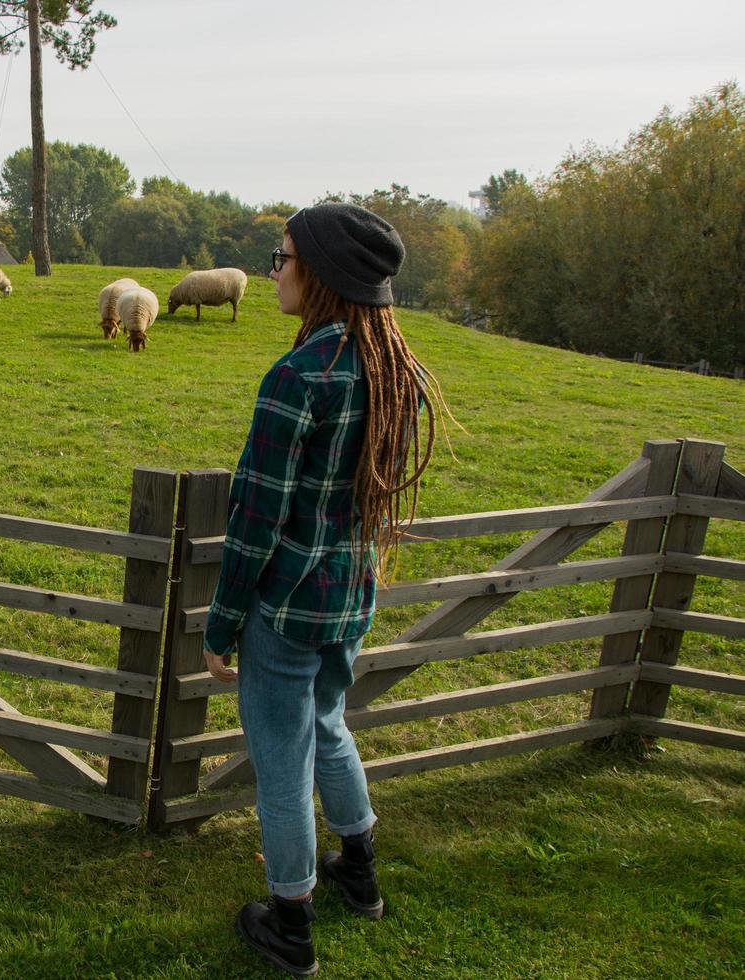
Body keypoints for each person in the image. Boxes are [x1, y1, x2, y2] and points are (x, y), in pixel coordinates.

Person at [201, 202, 452, 976]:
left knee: (282, 760)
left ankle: (291, 925)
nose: (274, 271)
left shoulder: (298, 375)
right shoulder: (394, 367)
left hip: (286, 604)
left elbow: (257, 520)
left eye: (282, 258)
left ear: (320, 273)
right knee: (329, 726)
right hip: (351, 594)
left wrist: (222, 626)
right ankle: (363, 874)